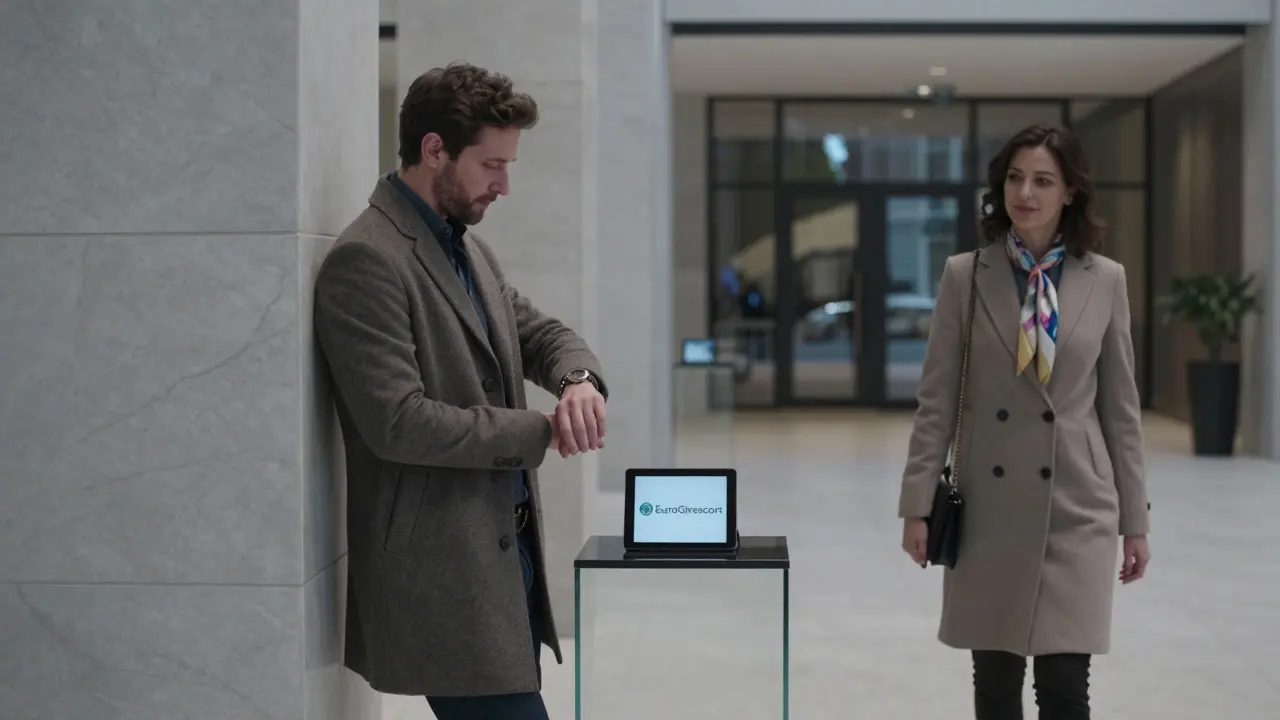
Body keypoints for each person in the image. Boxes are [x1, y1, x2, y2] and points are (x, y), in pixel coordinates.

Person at [313, 61, 608, 720]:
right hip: (442, 576)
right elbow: (398, 421)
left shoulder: (466, 249)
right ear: (434, 150)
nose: (504, 185)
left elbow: (540, 333)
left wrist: (579, 381)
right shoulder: (368, 260)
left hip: (501, 566)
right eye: (491, 165)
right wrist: (544, 429)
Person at [897, 124, 1152, 720]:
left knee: (1065, 689)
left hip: (1079, 507)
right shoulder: (966, 275)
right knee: (995, 685)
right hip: (990, 506)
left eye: (1043, 180)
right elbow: (937, 400)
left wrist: (1134, 519)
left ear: (1070, 192)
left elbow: (1120, 410)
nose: (1025, 193)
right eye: (1015, 178)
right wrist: (916, 503)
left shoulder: (1105, 279)